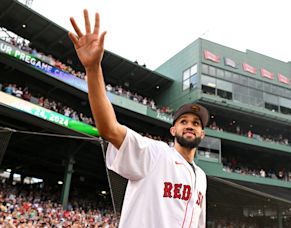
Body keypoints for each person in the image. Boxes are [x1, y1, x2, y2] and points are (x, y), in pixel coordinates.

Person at [68, 10, 208, 227]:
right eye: (184, 121)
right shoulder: (155, 154)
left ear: (202, 134)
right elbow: (109, 130)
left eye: (196, 123)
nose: (190, 126)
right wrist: (93, 68)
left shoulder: (201, 177)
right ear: (173, 130)